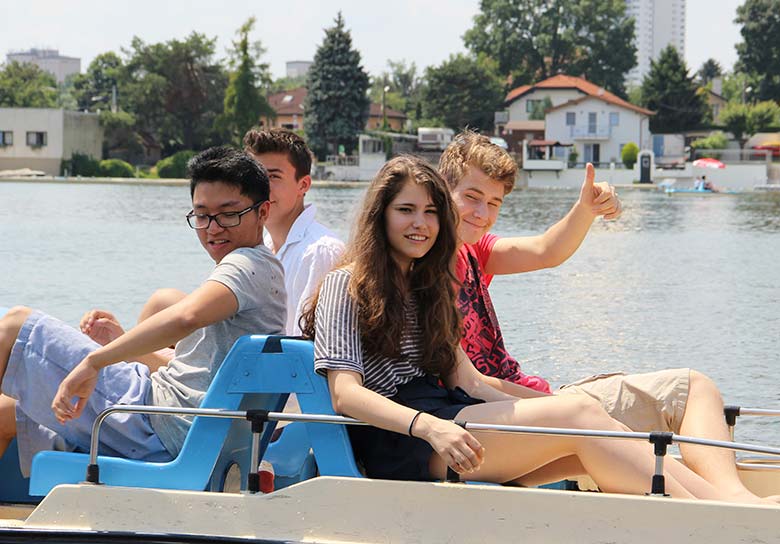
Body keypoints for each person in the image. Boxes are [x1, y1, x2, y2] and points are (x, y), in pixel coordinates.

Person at [300, 154, 767, 503]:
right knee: (584, 421)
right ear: (381, 214)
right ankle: (729, 519)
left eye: (430, 213)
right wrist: (429, 429)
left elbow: (471, 382)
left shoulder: (429, 287)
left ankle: (729, 509)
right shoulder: (348, 283)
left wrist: (559, 408)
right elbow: (346, 395)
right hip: (406, 438)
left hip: (450, 413)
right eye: (406, 210)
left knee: (595, 432)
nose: (420, 224)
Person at [437, 130, 766, 502]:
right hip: (503, 420)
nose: (482, 214)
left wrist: (586, 209)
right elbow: (468, 383)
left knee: (692, 388)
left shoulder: (474, 250)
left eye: (494, 203)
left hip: (539, 403)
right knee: (587, 416)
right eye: (471, 197)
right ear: (441, 190)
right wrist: (556, 406)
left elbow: (547, 250)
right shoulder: (419, 267)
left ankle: (735, 498)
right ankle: (729, 512)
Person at [0, 147, 286, 474]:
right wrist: (120, 344)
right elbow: (194, 373)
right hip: (167, 416)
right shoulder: (261, 271)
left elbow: (185, 317)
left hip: (155, 422)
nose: (213, 228)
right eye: (202, 215)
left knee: (13, 326)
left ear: (262, 212)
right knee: (6, 413)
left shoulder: (245, 265)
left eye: (228, 213)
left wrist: (95, 361)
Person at [243, 128, 345, 335]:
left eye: (273, 176)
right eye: (254, 177)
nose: (261, 188)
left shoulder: (319, 252)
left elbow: (305, 347)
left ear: (303, 185)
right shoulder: (263, 245)